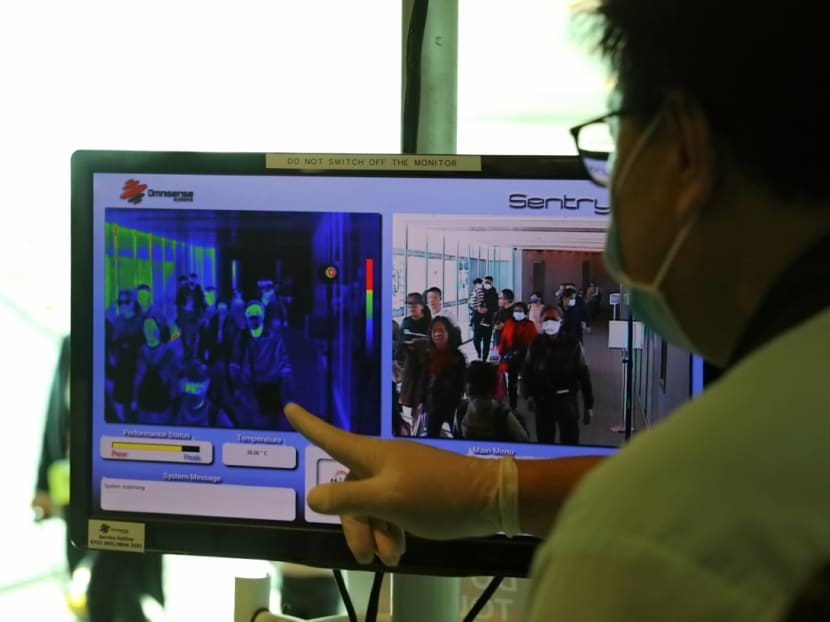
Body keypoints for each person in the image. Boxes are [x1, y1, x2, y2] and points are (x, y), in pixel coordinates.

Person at [283, 1, 830, 619]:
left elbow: (696, 501)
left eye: (613, 139)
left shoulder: (647, 557)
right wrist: (497, 492)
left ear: (685, 149)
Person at [522, 306, 593, 444]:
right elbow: (527, 370)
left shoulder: (573, 344)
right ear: (541, 322)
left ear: (561, 321)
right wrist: (529, 394)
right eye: (546, 319)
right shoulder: (536, 343)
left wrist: (588, 405)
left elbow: (583, 374)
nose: (549, 322)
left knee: (570, 442)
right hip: (543, 400)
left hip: (566, 400)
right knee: (545, 441)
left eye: (553, 319)